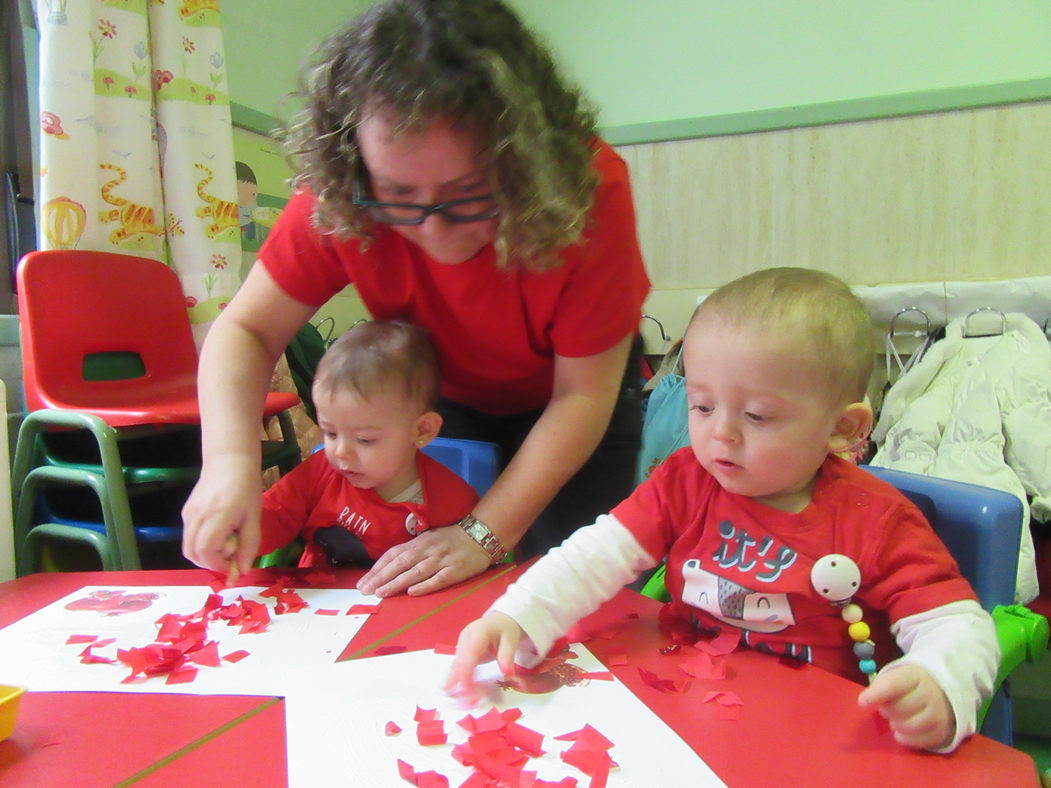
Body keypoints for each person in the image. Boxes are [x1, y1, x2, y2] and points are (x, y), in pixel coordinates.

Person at [181, 0, 649, 596]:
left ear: (524, 165)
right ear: (354, 164)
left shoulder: (588, 190)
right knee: (429, 581)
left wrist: (483, 535)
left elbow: (581, 396)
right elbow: (245, 331)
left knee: (568, 588)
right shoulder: (341, 192)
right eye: (398, 197)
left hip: (576, 402)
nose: (434, 231)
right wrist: (229, 462)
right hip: (441, 393)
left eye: (470, 195)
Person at [446, 268, 999, 753]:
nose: (720, 435)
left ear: (842, 428)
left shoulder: (876, 520)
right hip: (693, 713)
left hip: (818, 737)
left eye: (757, 416)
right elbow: (596, 554)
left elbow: (957, 625)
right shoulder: (686, 480)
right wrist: (520, 614)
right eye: (703, 405)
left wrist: (938, 683)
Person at [252, 320, 479, 569]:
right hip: (318, 600)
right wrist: (236, 530)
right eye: (330, 433)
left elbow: (478, 567)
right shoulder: (318, 473)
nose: (340, 452)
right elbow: (274, 516)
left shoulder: (452, 501)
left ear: (422, 430)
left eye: (364, 439)